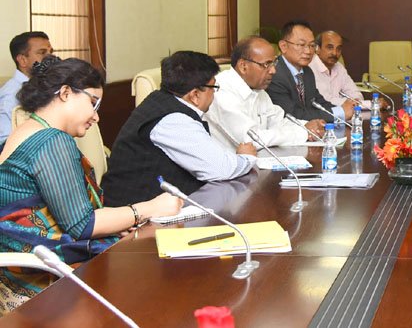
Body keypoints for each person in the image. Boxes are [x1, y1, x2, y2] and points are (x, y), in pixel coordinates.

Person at [0, 56, 182, 314]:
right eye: (93, 103)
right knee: (160, 276)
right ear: (65, 93)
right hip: (44, 275)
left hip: (20, 266)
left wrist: (120, 220)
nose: (96, 116)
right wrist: (151, 208)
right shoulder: (51, 141)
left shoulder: (26, 129)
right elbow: (82, 225)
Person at [101, 51, 257, 207]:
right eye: (213, 87)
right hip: (135, 212)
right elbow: (221, 169)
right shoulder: (173, 121)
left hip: (155, 206)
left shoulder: (162, 102)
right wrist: (246, 157)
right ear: (195, 95)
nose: (214, 94)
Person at [205, 36, 325, 150]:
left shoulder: (258, 90)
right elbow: (252, 139)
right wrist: (303, 132)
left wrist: (308, 126)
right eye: (267, 64)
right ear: (243, 66)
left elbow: (278, 122)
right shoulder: (221, 90)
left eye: (274, 63)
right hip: (231, 163)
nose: (273, 70)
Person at [267, 20, 354, 123]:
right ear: (283, 46)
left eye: (312, 45)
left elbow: (319, 102)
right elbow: (292, 114)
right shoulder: (274, 74)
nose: (308, 51)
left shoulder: (307, 71)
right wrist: (339, 113)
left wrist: (343, 109)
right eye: (301, 45)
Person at [308, 30, 386, 110]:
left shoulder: (339, 67)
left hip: (342, 114)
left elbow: (355, 93)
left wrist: (355, 103)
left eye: (338, 49)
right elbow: (326, 101)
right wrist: (371, 104)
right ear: (317, 48)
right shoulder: (310, 69)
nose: (335, 53)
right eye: (330, 48)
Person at [0, 32, 53, 142]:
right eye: (42, 52)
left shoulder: (47, 86)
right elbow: (5, 142)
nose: (50, 57)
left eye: (51, 52)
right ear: (22, 60)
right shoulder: (11, 95)